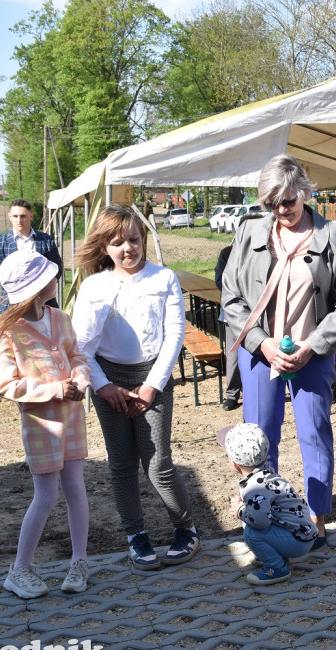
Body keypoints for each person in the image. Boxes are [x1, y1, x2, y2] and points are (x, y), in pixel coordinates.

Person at [222, 154, 336, 550]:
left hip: (310, 353)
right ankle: (267, 516)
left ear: (303, 191)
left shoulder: (334, 234)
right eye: (271, 204)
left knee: (314, 433)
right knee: (259, 437)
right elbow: (231, 298)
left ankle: (315, 519)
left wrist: (313, 346)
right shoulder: (249, 233)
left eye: (287, 202)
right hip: (260, 352)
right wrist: (261, 343)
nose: (281, 211)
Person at [72, 204, 199, 570]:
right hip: (109, 381)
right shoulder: (95, 286)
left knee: (158, 463)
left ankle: (186, 528)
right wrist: (104, 386)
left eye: (133, 239)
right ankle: (135, 534)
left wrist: (152, 386)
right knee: (122, 464)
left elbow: (174, 335)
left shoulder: (163, 279)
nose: (127, 248)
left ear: (142, 239)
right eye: (117, 242)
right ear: (104, 248)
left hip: (152, 380)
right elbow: (82, 346)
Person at [0, 250, 90, 598]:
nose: (55, 277)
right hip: (41, 423)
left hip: (72, 417)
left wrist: (81, 378)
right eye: (49, 275)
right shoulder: (5, 335)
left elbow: (77, 356)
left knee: (75, 487)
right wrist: (56, 388)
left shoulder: (60, 318)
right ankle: (19, 569)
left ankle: (79, 561)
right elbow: (6, 385)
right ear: (37, 286)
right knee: (46, 495)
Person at [223, 423, 318, 586]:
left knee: (251, 532)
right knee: (251, 519)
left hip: (297, 542)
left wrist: (239, 511)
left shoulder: (255, 487)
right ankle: (270, 553)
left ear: (233, 463)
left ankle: (277, 567)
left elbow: (260, 522)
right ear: (265, 456)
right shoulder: (265, 472)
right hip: (301, 533)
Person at [0, 199, 63, 314]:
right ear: (9, 217)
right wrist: (20, 290)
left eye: (23, 216)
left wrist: (41, 289)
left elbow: (57, 267)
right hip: (12, 304)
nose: (19, 220)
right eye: (15, 216)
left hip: (44, 302)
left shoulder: (46, 240)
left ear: (31, 216)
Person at [215, 244, 243, 411]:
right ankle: (232, 395)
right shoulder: (227, 253)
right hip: (233, 314)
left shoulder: (268, 250)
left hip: (261, 314)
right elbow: (220, 281)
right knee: (233, 357)